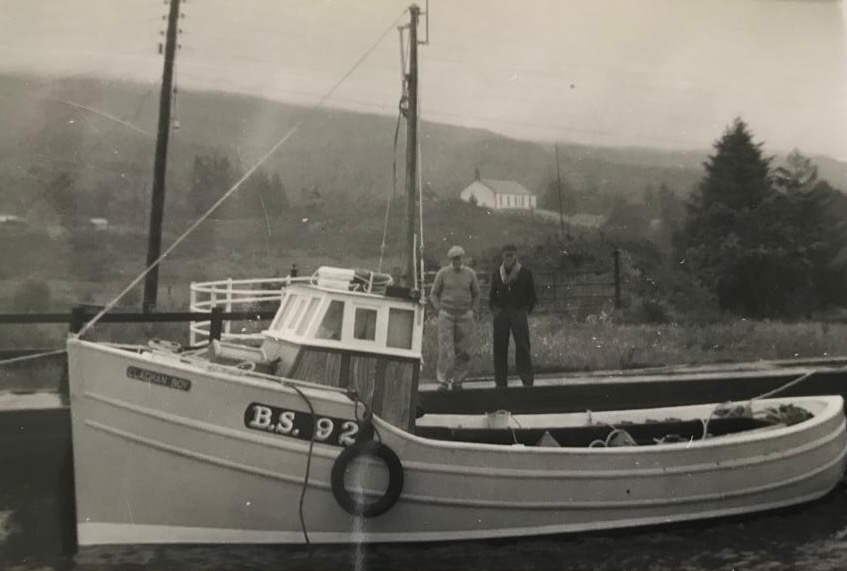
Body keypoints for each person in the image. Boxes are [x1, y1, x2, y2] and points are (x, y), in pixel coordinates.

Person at [429, 245, 480, 391]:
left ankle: (458, 380)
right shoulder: (443, 273)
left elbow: (476, 293)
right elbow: (433, 293)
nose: (456, 261)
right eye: (454, 259)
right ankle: (442, 381)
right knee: (445, 348)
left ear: (462, 258)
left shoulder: (470, 274)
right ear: (450, 259)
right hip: (447, 315)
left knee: (463, 349)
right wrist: (440, 309)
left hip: (464, 315)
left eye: (459, 258)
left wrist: (474, 310)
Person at [489, 244, 537, 388]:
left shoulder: (525, 273)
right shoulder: (497, 274)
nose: (509, 258)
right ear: (502, 256)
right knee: (499, 347)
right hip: (501, 314)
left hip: (518, 312)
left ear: (515, 255)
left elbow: (532, 296)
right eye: (506, 255)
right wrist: (497, 311)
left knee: (522, 346)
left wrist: (524, 310)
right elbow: (491, 297)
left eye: (511, 255)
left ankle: (527, 380)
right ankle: (501, 382)